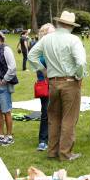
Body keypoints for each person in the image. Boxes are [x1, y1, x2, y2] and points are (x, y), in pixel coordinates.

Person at [28, 11, 86, 161]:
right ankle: (65, 153)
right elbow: (80, 63)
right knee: (68, 119)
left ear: (59, 23)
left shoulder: (47, 39)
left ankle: (52, 151)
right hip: (70, 82)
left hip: (53, 82)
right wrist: (79, 76)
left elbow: (31, 55)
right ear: (71, 26)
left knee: (53, 117)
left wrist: (43, 70)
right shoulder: (74, 39)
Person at [35, 23, 55, 151]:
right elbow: (36, 63)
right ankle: (43, 140)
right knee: (46, 112)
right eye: (51, 33)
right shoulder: (40, 48)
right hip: (46, 84)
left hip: (57, 83)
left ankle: (53, 138)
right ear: (44, 34)